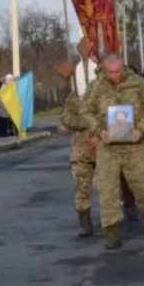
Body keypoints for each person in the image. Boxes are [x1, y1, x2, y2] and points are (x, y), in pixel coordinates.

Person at [80, 53, 144, 250]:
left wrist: (141, 128)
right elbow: (85, 111)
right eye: (111, 72)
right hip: (108, 147)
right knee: (108, 190)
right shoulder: (96, 86)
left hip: (135, 145)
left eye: (118, 71)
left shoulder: (139, 84)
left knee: (143, 186)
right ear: (105, 70)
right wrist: (99, 130)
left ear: (123, 68)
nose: (115, 75)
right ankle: (112, 230)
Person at [58, 62, 96, 238]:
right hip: (81, 150)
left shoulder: (106, 95)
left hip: (104, 147)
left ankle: (114, 218)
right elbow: (67, 119)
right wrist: (86, 123)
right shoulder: (74, 98)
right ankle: (85, 223)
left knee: (110, 186)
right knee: (82, 187)